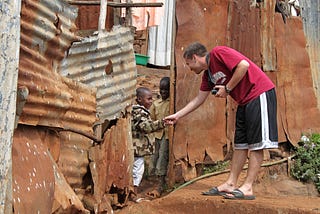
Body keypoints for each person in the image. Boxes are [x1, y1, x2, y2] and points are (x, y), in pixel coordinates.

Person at [164, 42, 278, 200]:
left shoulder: (219, 53)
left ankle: (248, 187)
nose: (189, 68)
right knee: (241, 144)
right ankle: (230, 183)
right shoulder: (208, 75)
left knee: (257, 144)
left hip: (259, 93)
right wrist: (177, 115)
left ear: (195, 58)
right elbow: (199, 99)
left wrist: (228, 88)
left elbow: (243, 66)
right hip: (244, 101)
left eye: (189, 64)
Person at [130, 87, 165, 202]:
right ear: (139, 99)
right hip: (137, 149)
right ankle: (133, 194)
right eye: (148, 99)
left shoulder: (135, 111)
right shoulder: (140, 112)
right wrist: (162, 123)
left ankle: (130, 192)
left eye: (152, 99)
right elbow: (145, 127)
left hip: (134, 149)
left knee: (134, 170)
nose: (151, 101)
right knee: (137, 171)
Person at [148, 77, 170, 197]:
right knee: (154, 156)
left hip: (167, 135)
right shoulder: (156, 104)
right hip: (157, 135)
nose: (163, 92)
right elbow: (151, 118)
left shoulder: (172, 103)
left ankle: (160, 183)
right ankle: (151, 179)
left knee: (163, 156)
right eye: (162, 90)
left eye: (166, 90)